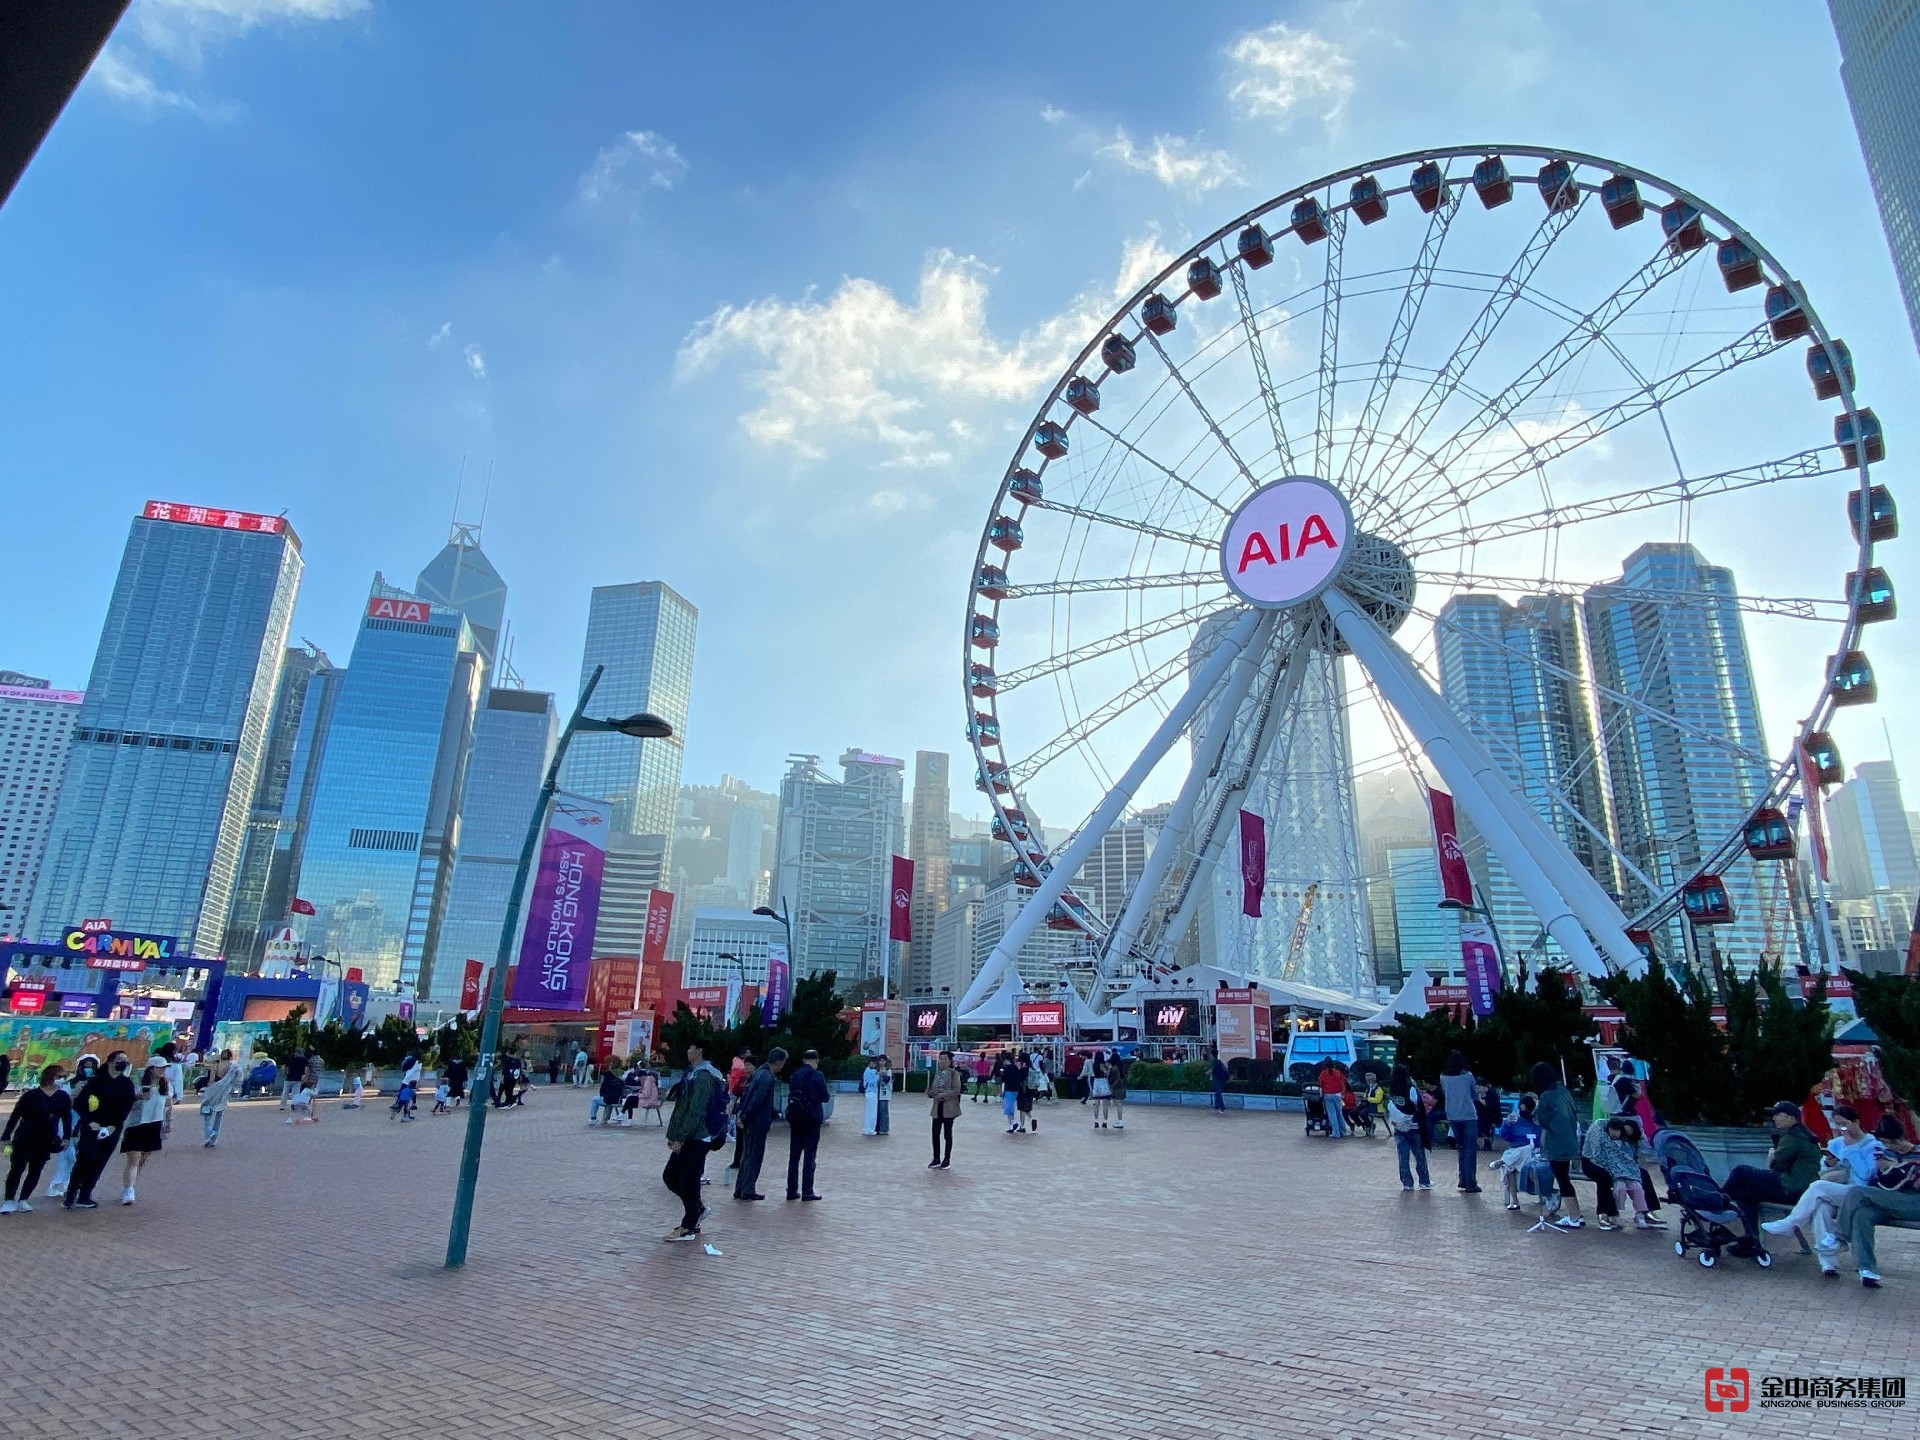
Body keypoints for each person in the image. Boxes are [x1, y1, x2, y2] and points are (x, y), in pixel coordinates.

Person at [1762, 1104, 1885, 1252]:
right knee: (1821, 1208)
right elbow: (1821, 1170)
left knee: (1817, 1186)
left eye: (1844, 1124)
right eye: (1837, 1125)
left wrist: (1852, 1149)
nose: (1841, 1129)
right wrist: (1829, 1163)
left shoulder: (1873, 1145)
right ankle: (1828, 1261)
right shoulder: (1836, 1143)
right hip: (1840, 1189)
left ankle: (1791, 1223)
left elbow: (1867, 1174)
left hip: (1861, 1191)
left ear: (1856, 1122)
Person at [1828, 1120, 1920, 1288]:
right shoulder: (1886, 1153)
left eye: (1885, 1142)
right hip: (1889, 1199)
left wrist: (1902, 1171)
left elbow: (1916, 1184)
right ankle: (1866, 1269)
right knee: (1862, 1214)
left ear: (1896, 1141)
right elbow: (1878, 1179)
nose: (1883, 1146)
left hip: (1914, 1202)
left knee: (1857, 1192)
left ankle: (1839, 1236)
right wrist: (1885, 1170)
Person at [1723, 1100, 1822, 1250]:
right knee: (1744, 1194)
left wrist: (1773, 1154)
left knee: (1741, 1171)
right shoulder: (1803, 1133)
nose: (1774, 1118)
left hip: (1791, 1187)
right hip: (1800, 1188)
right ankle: (1751, 1241)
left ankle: (1720, 1200)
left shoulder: (1793, 1137)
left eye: (1779, 1115)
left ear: (1792, 1118)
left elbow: (1777, 1165)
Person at [662, 1042, 726, 1242]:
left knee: (687, 1180)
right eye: (688, 1048)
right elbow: (681, 1107)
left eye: (692, 1049)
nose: (688, 1052)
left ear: (700, 1051)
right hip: (688, 1135)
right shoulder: (692, 1073)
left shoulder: (705, 1076)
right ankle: (697, 1210)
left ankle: (689, 1225)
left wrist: (680, 1137)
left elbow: (696, 1110)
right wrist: (673, 1134)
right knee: (671, 1176)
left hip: (699, 1136)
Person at [65, 1052, 135, 1210]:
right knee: (86, 1158)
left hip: (112, 1129)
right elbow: (80, 1104)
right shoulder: (96, 1081)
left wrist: (114, 1125)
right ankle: (71, 1192)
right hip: (92, 1127)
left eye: (125, 1061)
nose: (123, 1064)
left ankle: (85, 1195)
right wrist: (90, 1121)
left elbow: (127, 1106)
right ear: (110, 1062)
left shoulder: (127, 1084)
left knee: (99, 1162)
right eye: (120, 1061)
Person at [2, 1064, 73, 1214]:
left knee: (35, 1170)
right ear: (49, 1076)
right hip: (25, 1137)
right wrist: (6, 1135)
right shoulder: (31, 1095)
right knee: (17, 1169)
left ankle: (23, 1199)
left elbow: (67, 1119)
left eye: (64, 1077)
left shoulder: (63, 1097)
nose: (61, 1080)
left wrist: (67, 1137)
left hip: (47, 1138)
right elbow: (15, 1116)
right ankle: (9, 1199)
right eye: (58, 1077)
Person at [1532, 1062, 1587, 1230]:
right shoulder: (1564, 1092)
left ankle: (1574, 1216)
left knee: (1563, 1180)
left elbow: (1540, 1119)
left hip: (1556, 1143)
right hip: (1569, 1140)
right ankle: (1576, 1213)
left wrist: (1536, 1107)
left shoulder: (1547, 1096)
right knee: (1565, 1178)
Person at [1587, 1116, 1663, 1229]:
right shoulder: (1601, 1131)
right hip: (1597, 1162)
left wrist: (1641, 1138)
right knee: (1605, 1177)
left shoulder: (1629, 1140)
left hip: (1625, 1167)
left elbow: (1643, 1153)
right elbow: (1597, 1153)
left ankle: (1645, 1212)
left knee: (1643, 1175)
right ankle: (1608, 1212)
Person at [734, 1048, 786, 1200]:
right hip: (756, 1123)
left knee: (747, 1155)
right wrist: (745, 1117)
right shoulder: (766, 1076)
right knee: (753, 1156)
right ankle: (747, 1189)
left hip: (751, 1120)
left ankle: (741, 1188)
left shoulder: (759, 1073)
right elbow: (757, 1100)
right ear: (779, 1062)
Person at [42, 1055, 95, 1200]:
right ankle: (60, 1184)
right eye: (86, 1066)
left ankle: (70, 1185)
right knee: (67, 1155)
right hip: (68, 1123)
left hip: (86, 1124)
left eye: (92, 1066)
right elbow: (62, 1104)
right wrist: (74, 1093)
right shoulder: (68, 1084)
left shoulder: (96, 1085)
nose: (88, 1070)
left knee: (80, 1156)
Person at [119, 1059, 168, 1205]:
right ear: (151, 1068)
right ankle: (128, 1191)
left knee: (142, 1159)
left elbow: (167, 1102)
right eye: (160, 1067)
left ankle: (131, 1186)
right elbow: (127, 1102)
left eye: (164, 1068)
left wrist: (168, 1121)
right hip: (136, 1124)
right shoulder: (136, 1082)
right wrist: (139, 1096)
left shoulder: (164, 1084)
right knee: (134, 1158)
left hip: (154, 1124)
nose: (162, 1070)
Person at [784, 1049, 829, 1202]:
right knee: (810, 1156)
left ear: (803, 1060)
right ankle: (807, 1191)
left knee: (794, 1156)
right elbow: (825, 1097)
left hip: (796, 1119)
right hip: (812, 1119)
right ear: (816, 1060)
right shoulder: (818, 1076)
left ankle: (791, 1190)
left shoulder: (795, 1075)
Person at [1491, 1093, 1543, 1210]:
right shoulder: (1514, 1120)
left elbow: (1541, 1140)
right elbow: (1505, 1136)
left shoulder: (1538, 1122)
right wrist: (1507, 1124)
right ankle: (1515, 1201)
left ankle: (1502, 1161)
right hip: (1517, 1154)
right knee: (1511, 1168)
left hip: (1533, 1153)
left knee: (1520, 1153)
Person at [1439, 1053, 1481, 1190]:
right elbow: (1473, 1092)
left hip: (1452, 1114)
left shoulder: (1443, 1077)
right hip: (1468, 1114)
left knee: (1461, 1148)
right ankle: (1471, 1182)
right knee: (1470, 1149)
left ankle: (1462, 1178)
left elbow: (1445, 1092)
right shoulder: (1467, 1076)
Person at [1387, 1064, 1432, 1192]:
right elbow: (1417, 1105)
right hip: (1413, 1127)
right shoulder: (1410, 1088)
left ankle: (1407, 1183)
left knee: (1403, 1156)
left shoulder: (1392, 1089)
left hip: (1399, 1128)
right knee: (1419, 1155)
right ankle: (1424, 1181)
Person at [928, 1050, 964, 1169]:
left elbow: (956, 1090)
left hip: (949, 1108)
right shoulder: (938, 1074)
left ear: (950, 1061)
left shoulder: (954, 1074)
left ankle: (947, 1159)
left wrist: (943, 1095)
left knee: (947, 1134)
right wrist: (931, 1093)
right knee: (935, 1133)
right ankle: (936, 1158)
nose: (942, 1061)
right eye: (940, 1059)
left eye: (944, 1059)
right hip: (937, 1107)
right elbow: (934, 1088)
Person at [199, 1049, 240, 1148]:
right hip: (225, 1091)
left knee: (207, 1113)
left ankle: (208, 1134)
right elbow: (236, 1080)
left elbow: (211, 1079)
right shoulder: (232, 1066)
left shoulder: (215, 1065)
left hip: (214, 1089)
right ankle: (213, 1138)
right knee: (219, 1114)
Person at [1317, 1060, 1350, 1139]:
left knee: (1332, 1114)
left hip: (1328, 1095)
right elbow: (1344, 1081)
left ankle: (1336, 1133)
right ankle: (1343, 1132)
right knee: (1339, 1113)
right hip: (1337, 1095)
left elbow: (1321, 1084)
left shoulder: (1323, 1073)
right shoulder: (1338, 1072)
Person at [996, 1051, 1026, 1135]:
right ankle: (1012, 1124)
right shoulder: (1015, 1068)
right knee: (1010, 1107)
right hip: (1016, 1089)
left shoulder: (1006, 1068)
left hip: (1009, 1089)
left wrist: (1002, 1074)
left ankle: (1012, 1124)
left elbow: (1004, 1079)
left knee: (1008, 1108)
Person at [1089, 1050, 1114, 1129]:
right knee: (1105, 1104)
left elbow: (1092, 1073)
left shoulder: (1093, 1064)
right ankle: (1105, 1122)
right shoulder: (1102, 1064)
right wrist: (1109, 1068)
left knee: (1096, 1104)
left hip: (1096, 1083)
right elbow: (1106, 1074)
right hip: (1103, 1083)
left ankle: (1096, 1121)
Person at [861, 1055, 884, 1137]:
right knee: (871, 1112)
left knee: (872, 1112)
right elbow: (871, 1082)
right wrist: (878, 1076)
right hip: (870, 1092)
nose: (875, 1065)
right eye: (874, 1063)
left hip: (873, 1092)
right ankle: (868, 1129)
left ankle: (869, 1128)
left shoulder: (873, 1071)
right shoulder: (867, 1071)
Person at [279, 1046, 307, 1110]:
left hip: (289, 1078)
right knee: (295, 1093)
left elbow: (285, 1067)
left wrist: (285, 1073)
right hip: (298, 1079)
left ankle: (282, 1106)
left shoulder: (291, 1058)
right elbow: (306, 1069)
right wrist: (304, 1076)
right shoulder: (303, 1060)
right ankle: (294, 1105)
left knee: (285, 1092)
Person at [875, 1055, 893, 1135]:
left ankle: (884, 1129)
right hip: (876, 1092)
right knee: (877, 1111)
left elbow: (886, 1080)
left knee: (884, 1111)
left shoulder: (888, 1070)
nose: (881, 1062)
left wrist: (882, 1074)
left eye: (883, 1061)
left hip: (884, 1093)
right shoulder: (876, 1070)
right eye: (880, 1061)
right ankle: (877, 1127)